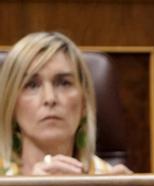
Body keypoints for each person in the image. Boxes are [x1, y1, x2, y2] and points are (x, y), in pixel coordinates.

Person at [0, 32, 131, 176]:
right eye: (31, 85)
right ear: (11, 104)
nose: (50, 98)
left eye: (64, 83)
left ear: (84, 103)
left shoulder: (109, 180)